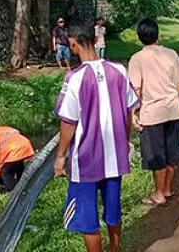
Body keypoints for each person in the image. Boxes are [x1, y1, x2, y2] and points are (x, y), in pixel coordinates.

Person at [54, 19, 139, 252]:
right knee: (113, 212)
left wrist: (61, 156)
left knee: (87, 219)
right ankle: (115, 249)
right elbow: (129, 112)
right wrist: (125, 142)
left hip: (85, 160)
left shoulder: (74, 78)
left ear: (73, 44)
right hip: (114, 156)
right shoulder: (120, 71)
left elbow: (68, 122)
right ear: (94, 39)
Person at [128, 18, 179, 206]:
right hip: (172, 110)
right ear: (157, 35)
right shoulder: (171, 54)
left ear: (139, 38)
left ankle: (159, 193)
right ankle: (168, 189)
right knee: (171, 152)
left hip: (152, 113)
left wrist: (132, 113)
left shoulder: (137, 59)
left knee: (156, 155)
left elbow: (136, 89)